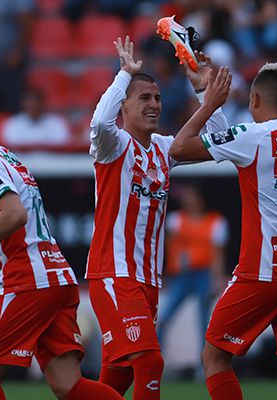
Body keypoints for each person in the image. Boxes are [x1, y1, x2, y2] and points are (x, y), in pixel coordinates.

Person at [169, 63, 277, 400]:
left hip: (261, 272)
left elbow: (178, 148)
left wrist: (208, 104)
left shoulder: (253, 136)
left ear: (257, 99)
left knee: (215, 357)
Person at [0, 93, 123, 400]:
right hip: (56, 276)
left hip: (29, 281)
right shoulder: (2, 155)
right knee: (68, 385)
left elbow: (15, 214)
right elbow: (27, 219)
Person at [86, 36, 228, 399]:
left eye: (158, 98)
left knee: (117, 379)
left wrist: (201, 89)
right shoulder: (113, 145)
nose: (153, 105)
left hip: (148, 281)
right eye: (144, 99)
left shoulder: (166, 149)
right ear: (125, 106)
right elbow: (100, 122)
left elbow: (221, 142)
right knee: (150, 362)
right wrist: (123, 76)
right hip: (114, 275)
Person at [158, 184, 228, 358]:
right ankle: (156, 361)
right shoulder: (176, 219)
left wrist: (216, 280)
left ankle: (205, 364)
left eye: (192, 196)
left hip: (203, 275)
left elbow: (217, 254)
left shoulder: (215, 221)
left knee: (204, 323)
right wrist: (165, 273)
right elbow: (167, 248)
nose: (188, 200)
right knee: (164, 318)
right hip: (181, 276)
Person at [2, 87, 73, 148]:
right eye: (30, 104)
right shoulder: (14, 122)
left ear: (43, 104)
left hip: (52, 161)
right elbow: (12, 144)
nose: (33, 107)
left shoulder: (56, 122)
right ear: (23, 105)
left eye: (36, 104)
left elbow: (62, 144)